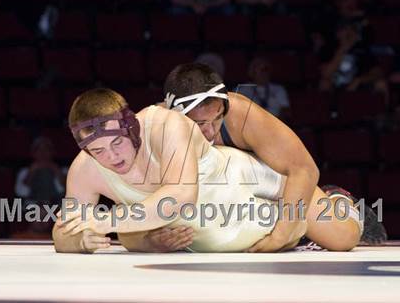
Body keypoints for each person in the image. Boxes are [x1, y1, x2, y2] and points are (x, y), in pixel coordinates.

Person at [53, 88, 363, 253]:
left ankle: (338, 198)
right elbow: (62, 231)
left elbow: (179, 197)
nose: (111, 157)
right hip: (217, 225)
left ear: (132, 128)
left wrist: (104, 219)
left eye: (117, 143)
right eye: (98, 151)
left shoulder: (164, 124)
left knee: (342, 238)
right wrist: (79, 241)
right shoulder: (85, 169)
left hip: (248, 183)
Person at [150, 62, 386, 251]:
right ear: (175, 115)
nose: (211, 131)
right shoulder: (156, 125)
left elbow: (304, 169)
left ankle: (339, 198)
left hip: (272, 182)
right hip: (224, 193)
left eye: (217, 118)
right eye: (200, 123)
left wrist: (280, 236)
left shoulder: (242, 115)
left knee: (342, 238)